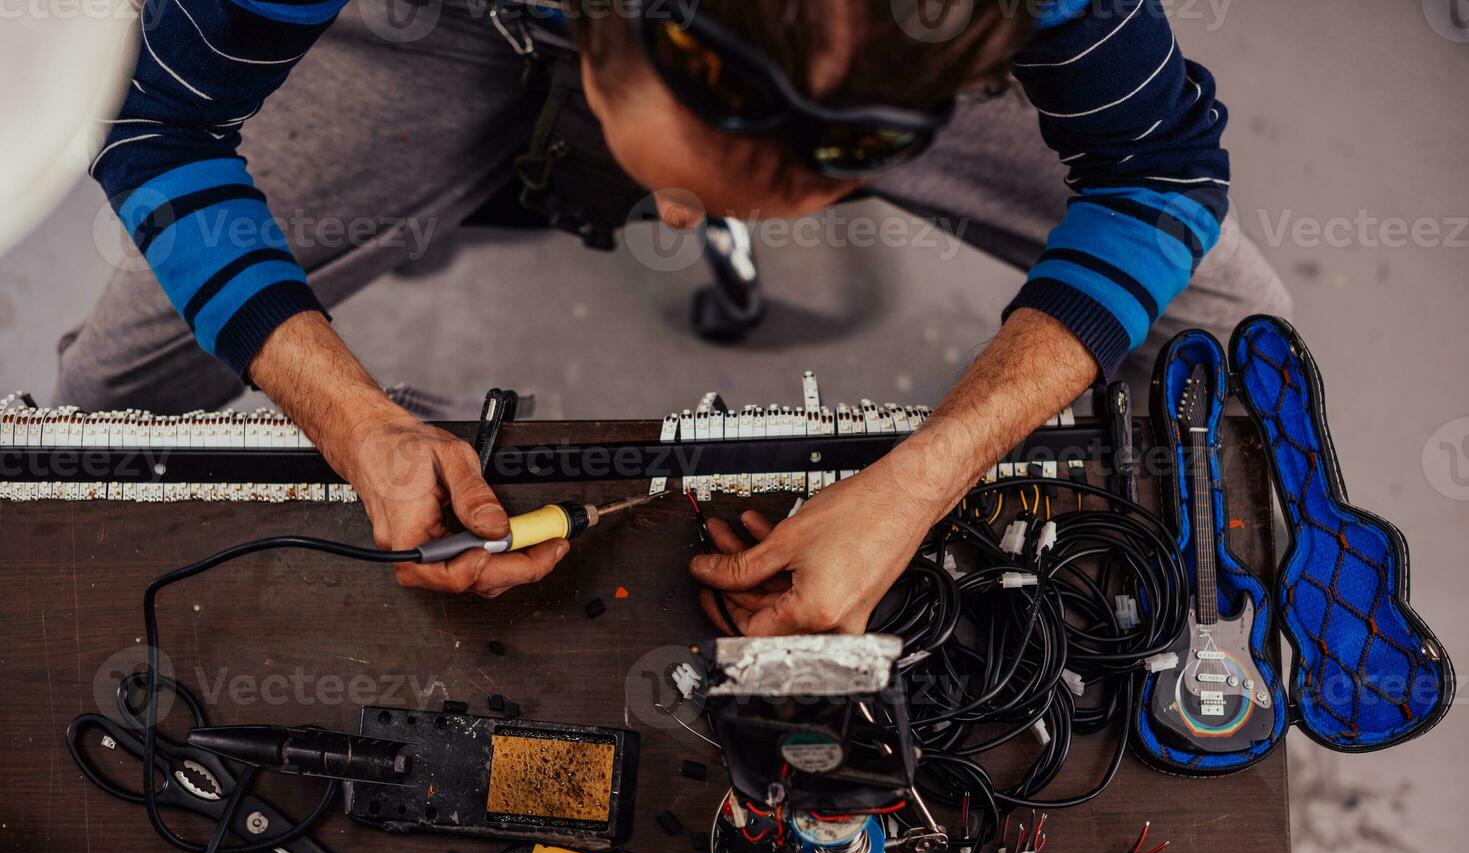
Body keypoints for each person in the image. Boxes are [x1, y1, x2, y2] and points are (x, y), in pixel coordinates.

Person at [67, 0, 1289, 632]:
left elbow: (1158, 170)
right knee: (99, 412)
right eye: (672, 181)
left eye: (809, 193)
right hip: (448, 29)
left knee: (1240, 336)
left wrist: (929, 474)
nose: (663, 224)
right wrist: (348, 415)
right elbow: (155, 127)